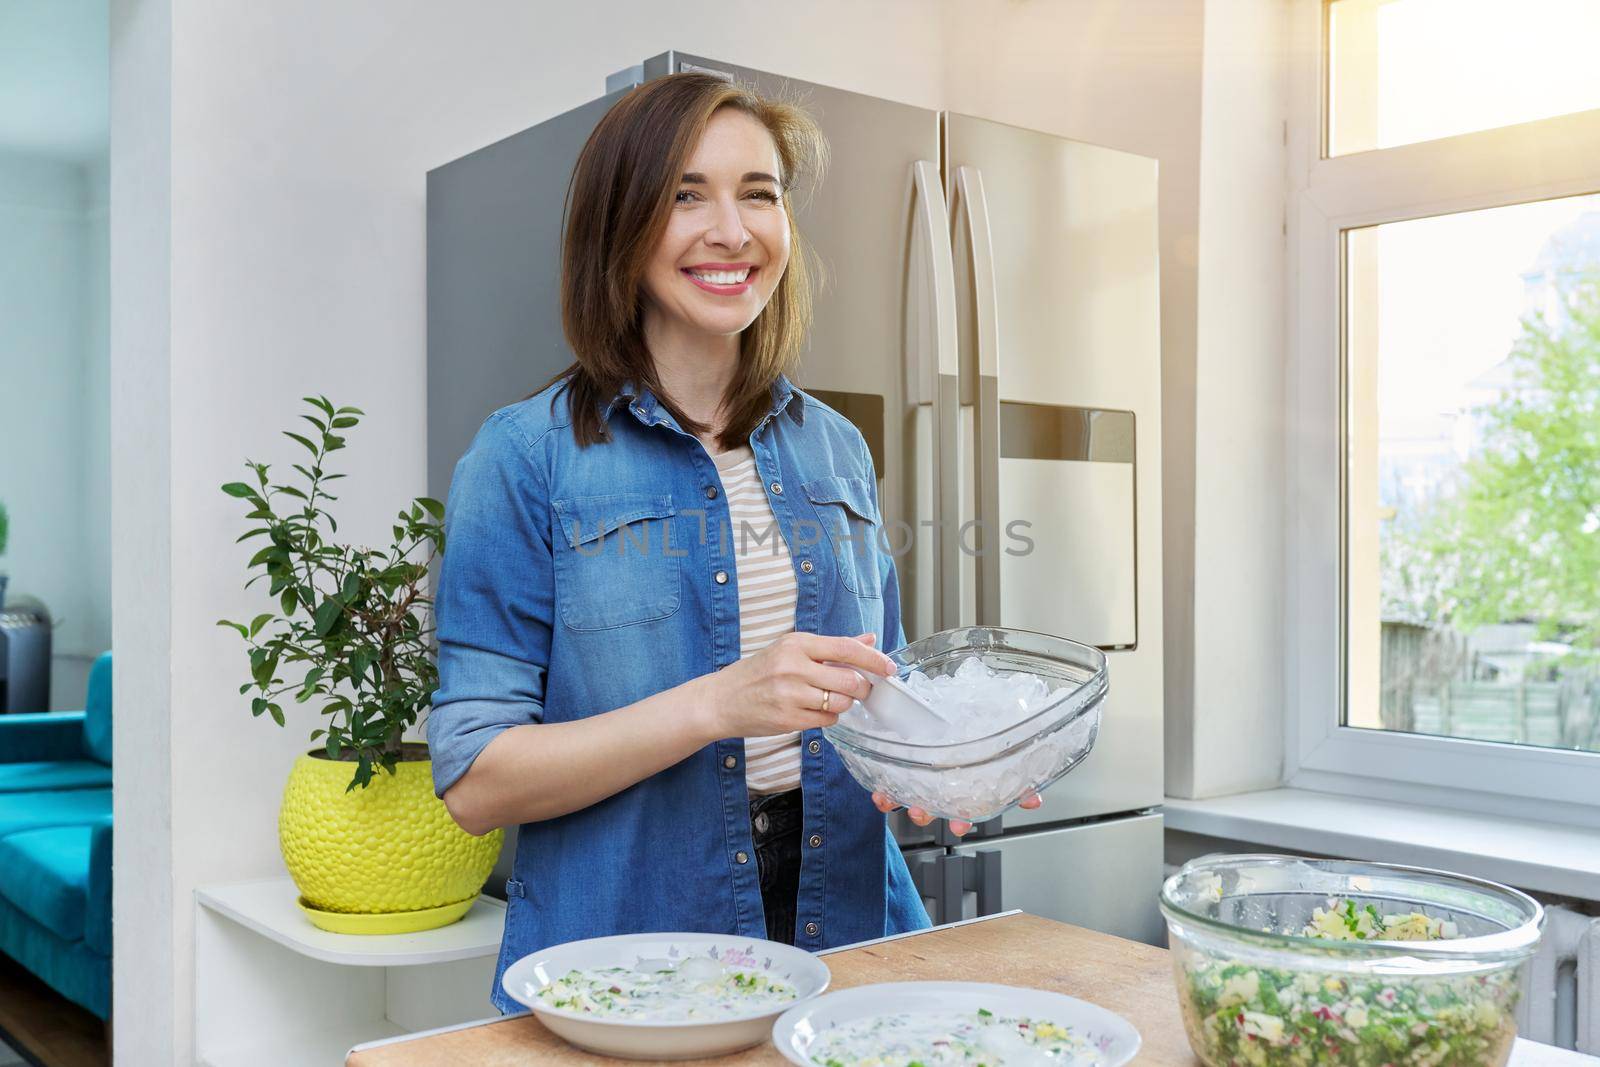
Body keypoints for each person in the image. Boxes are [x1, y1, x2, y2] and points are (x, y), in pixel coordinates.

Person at [427, 72, 1035, 1016]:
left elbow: (881, 689)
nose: (733, 230)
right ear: (617, 228)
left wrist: (949, 763)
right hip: (632, 949)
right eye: (685, 195)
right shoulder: (525, 457)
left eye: (760, 193)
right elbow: (475, 779)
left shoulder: (836, 448)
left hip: (852, 923)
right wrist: (719, 701)